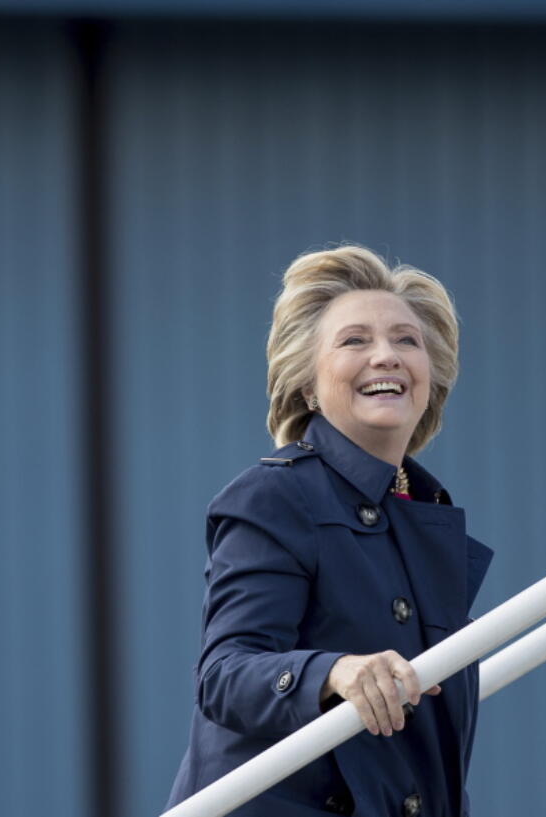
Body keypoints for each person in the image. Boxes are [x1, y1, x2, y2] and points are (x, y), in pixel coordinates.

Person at [165, 245, 494, 816]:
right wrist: (335, 672)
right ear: (309, 386)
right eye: (355, 341)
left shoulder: (423, 512)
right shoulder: (276, 496)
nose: (386, 356)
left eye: (406, 340)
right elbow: (223, 675)